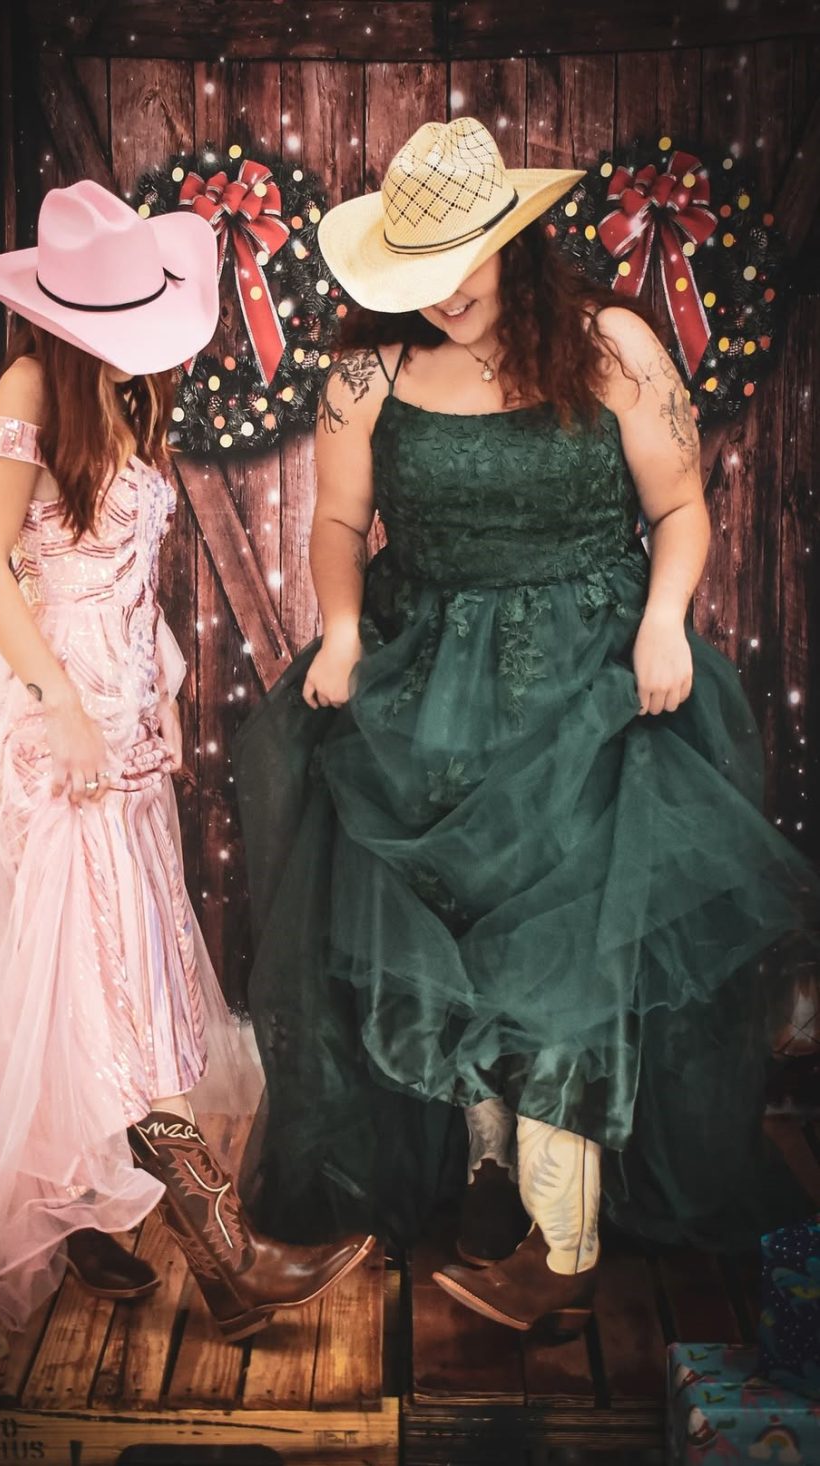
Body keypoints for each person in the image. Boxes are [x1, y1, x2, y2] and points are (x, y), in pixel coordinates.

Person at [233, 118, 818, 1334]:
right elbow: (336, 524)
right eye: (417, 271)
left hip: (587, 679)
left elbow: (678, 506)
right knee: (448, 942)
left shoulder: (610, 343)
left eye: (461, 263)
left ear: (512, 241)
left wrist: (664, 621)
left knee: (563, 956)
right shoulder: (365, 374)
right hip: (420, 685)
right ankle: (485, 1168)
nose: (442, 292)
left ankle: (562, 1251)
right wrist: (337, 631)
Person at [0, 181, 372, 1349]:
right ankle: (228, 1257)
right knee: (104, 974)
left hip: (124, 721)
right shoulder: (28, 389)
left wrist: (157, 678)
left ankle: (82, 1213)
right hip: (53, 720)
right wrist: (62, 702)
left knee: (131, 965)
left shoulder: (128, 391)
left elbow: (123, 576)